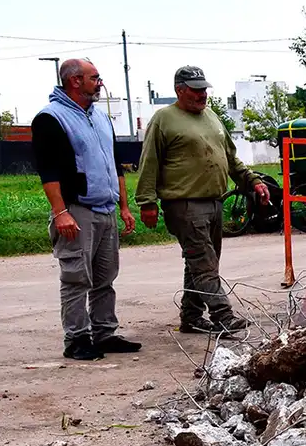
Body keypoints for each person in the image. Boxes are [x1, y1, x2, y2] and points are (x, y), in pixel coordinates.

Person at [136, 66, 268, 333]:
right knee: (204, 262)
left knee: (201, 261)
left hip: (214, 201)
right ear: (180, 90)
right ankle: (223, 316)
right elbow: (149, 162)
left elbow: (230, 157)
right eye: (196, 90)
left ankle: (192, 316)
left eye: (204, 89)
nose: (202, 95)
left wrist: (252, 181)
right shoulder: (164, 119)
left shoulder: (211, 117)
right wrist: (147, 202)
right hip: (184, 204)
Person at [31, 58, 139, 361]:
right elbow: (48, 171)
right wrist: (60, 212)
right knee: (76, 276)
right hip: (76, 209)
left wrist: (124, 206)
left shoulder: (101, 118)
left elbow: (115, 163)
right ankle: (77, 338)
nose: (100, 83)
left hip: (105, 209)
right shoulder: (51, 118)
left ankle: (104, 332)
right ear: (75, 81)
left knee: (106, 276)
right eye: (95, 78)